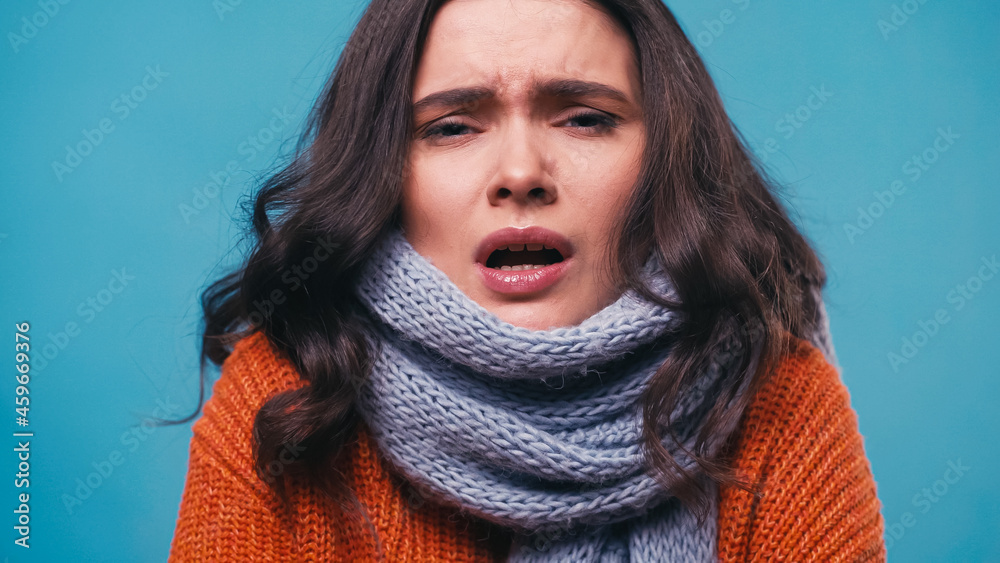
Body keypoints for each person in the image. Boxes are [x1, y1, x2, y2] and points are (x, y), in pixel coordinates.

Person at [166, 0, 887, 560]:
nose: (519, 174)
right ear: (386, 175)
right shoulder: (285, 404)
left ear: (665, 161)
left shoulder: (780, 405)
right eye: (452, 127)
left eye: (583, 118)